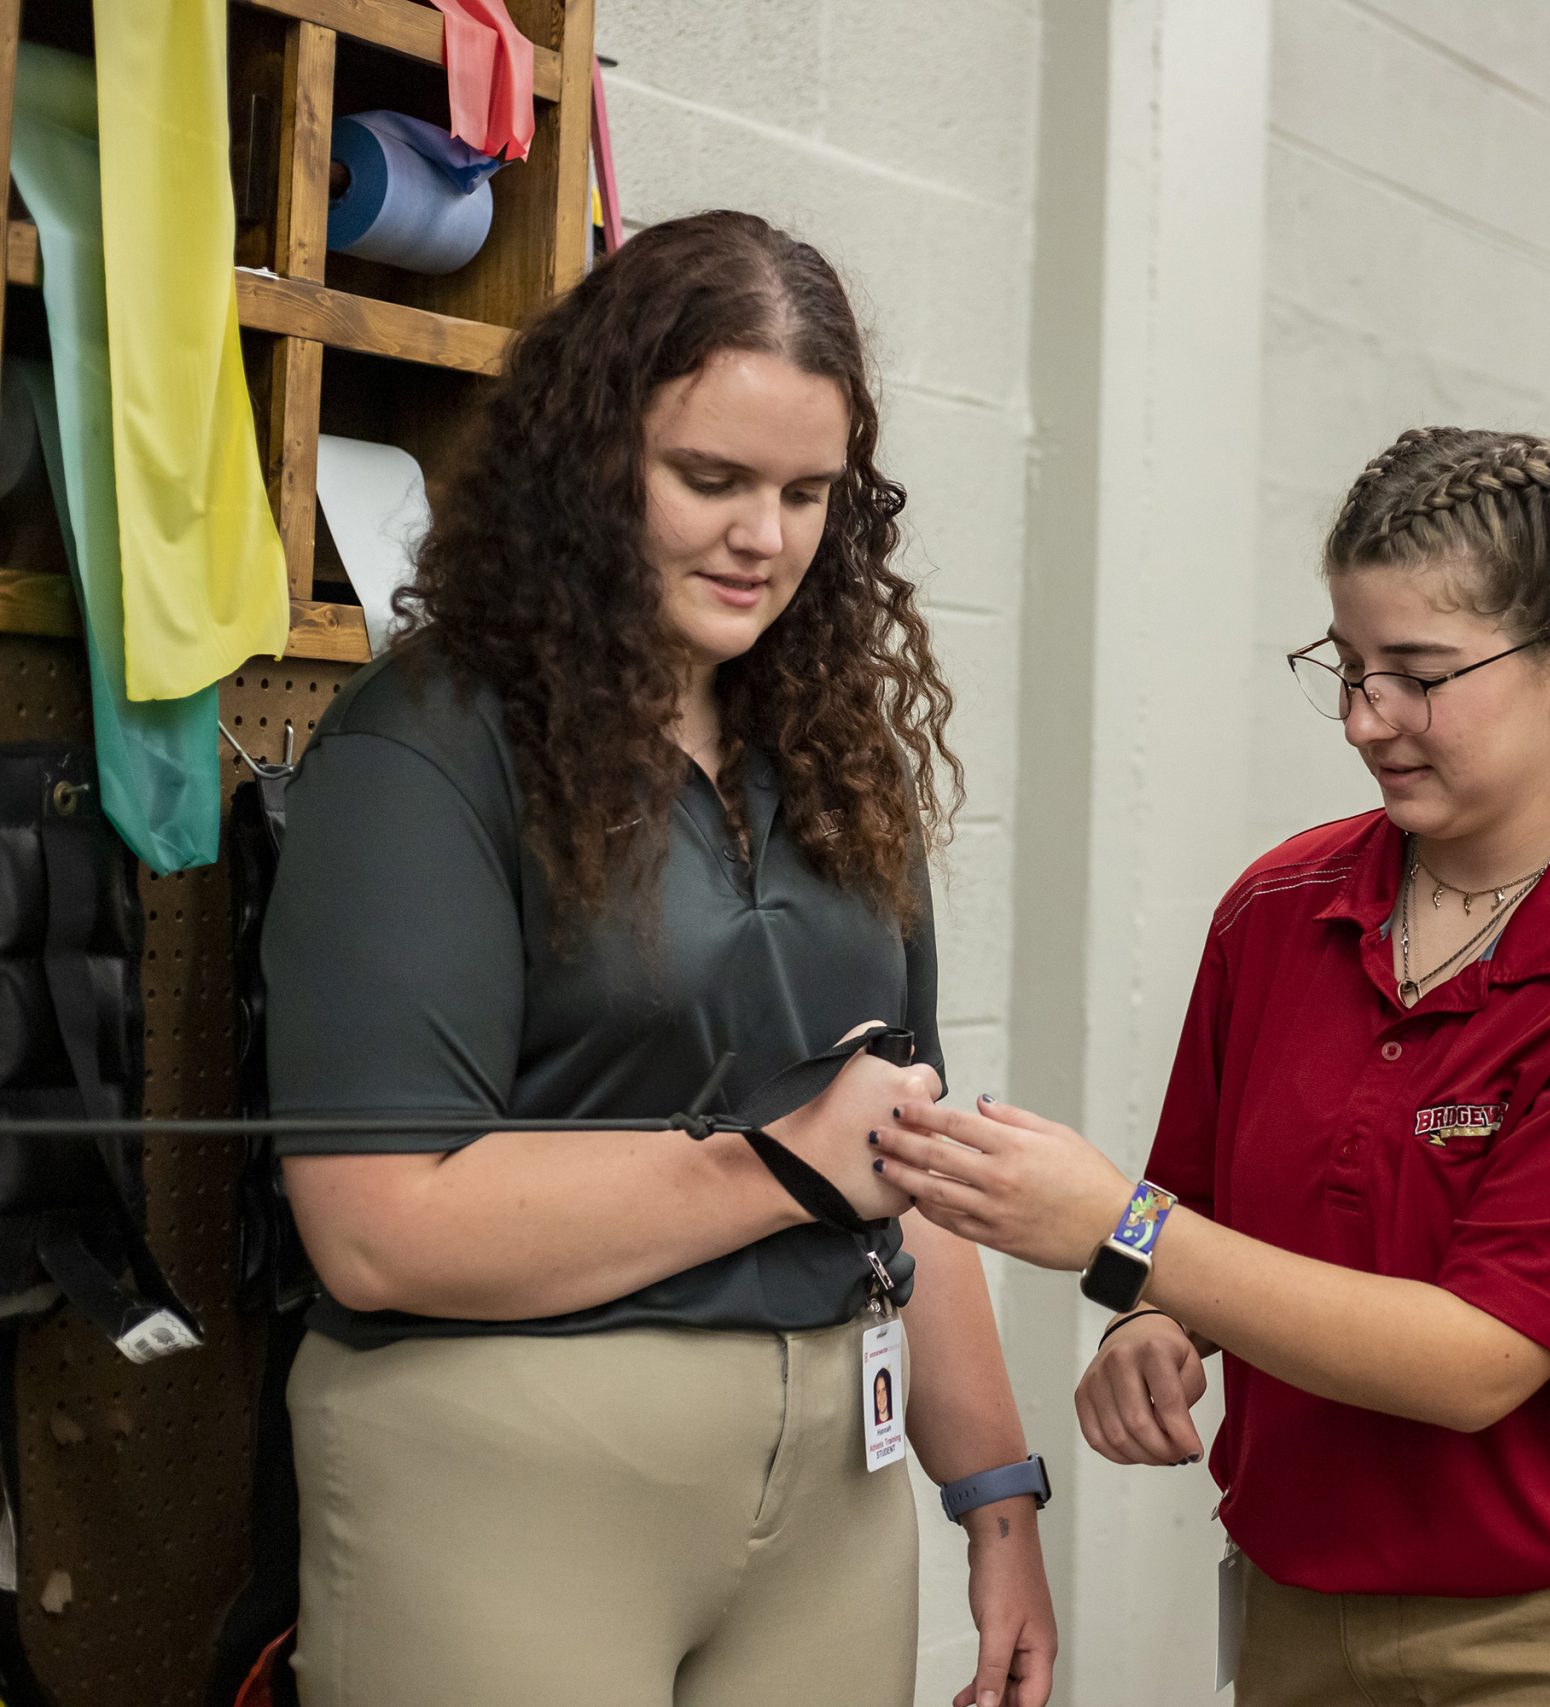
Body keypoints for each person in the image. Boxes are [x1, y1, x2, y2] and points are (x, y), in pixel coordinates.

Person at [262, 211, 1056, 1707]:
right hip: (508, 1467)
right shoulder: (431, 744)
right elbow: (375, 1223)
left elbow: (908, 1143)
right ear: (591, 462)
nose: (766, 535)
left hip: (831, 1473)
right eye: (712, 479)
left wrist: (995, 1492)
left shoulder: (830, 752)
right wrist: (778, 1163)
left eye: (807, 492)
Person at [874, 428, 1550, 1704]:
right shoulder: (1280, 910)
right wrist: (1152, 1321)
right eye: (1349, 668)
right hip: (1303, 1604)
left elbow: (1474, 1363)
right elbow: (1199, 1222)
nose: (1369, 720)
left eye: (1418, 674)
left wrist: (1122, 1238)